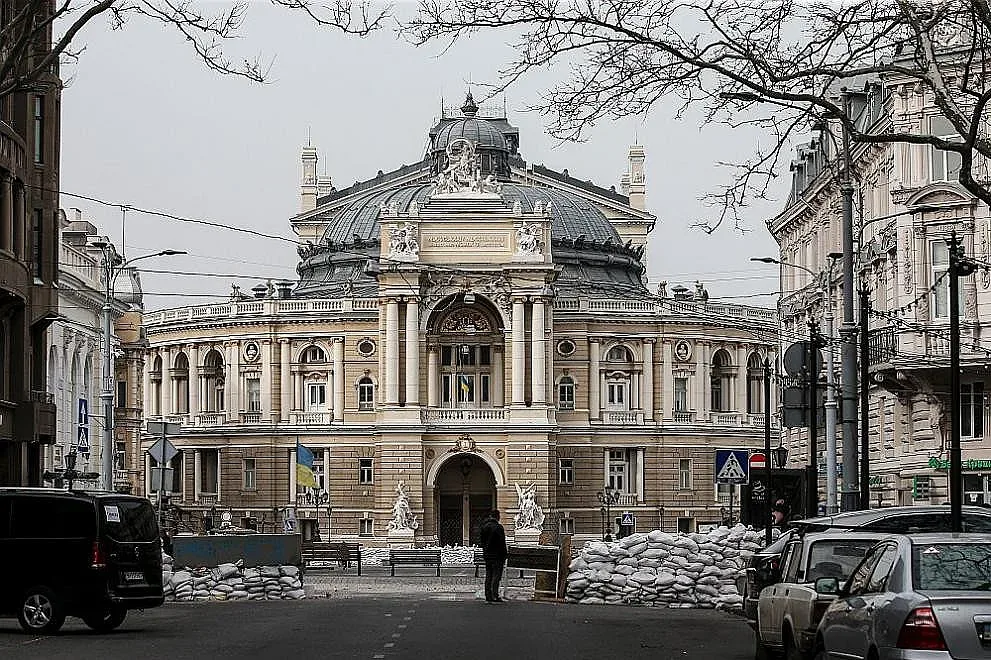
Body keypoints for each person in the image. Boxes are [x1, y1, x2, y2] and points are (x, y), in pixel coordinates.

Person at [479, 510, 507, 603]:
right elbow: (502, 543)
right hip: (497, 555)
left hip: (487, 554)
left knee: (489, 575)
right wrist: (504, 554)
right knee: (496, 576)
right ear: (497, 517)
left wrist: (485, 551)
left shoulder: (484, 527)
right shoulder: (498, 527)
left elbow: (482, 541)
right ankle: (495, 594)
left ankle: (488, 595)